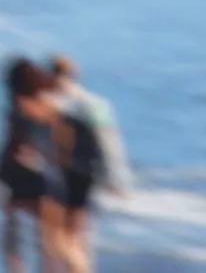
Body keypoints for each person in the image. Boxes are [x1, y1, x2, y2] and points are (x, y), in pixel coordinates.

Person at [51, 56, 131, 271]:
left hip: (72, 175)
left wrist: (116, 178)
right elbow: (112, 144)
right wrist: (117, 178)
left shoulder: (60, 105)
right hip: (86, 173)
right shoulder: (97, 104)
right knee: (81, 236)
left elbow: (107, 142)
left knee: (64, 238)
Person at [0, 57, 61, 273]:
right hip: (47, 175)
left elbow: (12, 144)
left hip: (18, 173)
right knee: (47, 238)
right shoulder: (51, 110)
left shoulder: (18, 108)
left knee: (13, 236)